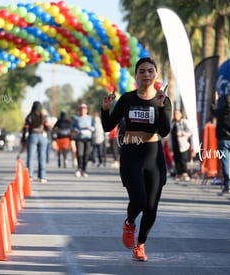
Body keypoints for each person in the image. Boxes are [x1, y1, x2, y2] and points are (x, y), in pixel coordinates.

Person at [101, 57, 172, 262]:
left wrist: (160, 107)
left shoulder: (162, 99)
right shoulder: (127, 99)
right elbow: (108, 126)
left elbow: (165, 131)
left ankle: (140, 245)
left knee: (151, 206)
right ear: (136, 75)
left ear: (156, 74)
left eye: (150, 71)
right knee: (139, 200)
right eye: (142, 71)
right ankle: (130, 222)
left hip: (153, 155)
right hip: (131, 153)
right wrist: (106, 109)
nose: (147, 74)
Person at [21, 101, 49, 183]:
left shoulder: (30, 116)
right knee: (42, 157)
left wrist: (23, 139)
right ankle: (42, 177)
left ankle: (30, 176)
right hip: (42, 136)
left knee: (30, 157)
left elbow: (25, 128)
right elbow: (47, 128)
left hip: (32, 136)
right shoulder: (43, 117)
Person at [71, 103, 94, 178]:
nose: (83, 111)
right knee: (79, 154)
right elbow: (72, 127)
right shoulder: (76, 118)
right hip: (79, 138)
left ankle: (84, 170)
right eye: (81, 109)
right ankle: (78, 168)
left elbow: (94, 128)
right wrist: (76, 130)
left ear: (86, 110)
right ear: (79, 111)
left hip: (88, 138)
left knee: (86, 154)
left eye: (84, 109)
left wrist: (90, 128)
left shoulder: (90, 118)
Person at [170, 110, 192, 181]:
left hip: (183, 144)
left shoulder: (184, 122)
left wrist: (182, 133)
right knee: (176, 159)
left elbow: (189, 132)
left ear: (181, 114)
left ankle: (185, 173)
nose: (176, 115)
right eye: (175, 114)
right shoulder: (172, 123)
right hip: (174, 144)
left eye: (178, 114)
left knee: (183, 159)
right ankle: (179, 173)